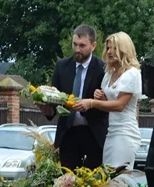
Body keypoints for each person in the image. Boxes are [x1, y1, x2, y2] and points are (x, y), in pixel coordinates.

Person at [42, 24, 108, 170]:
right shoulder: (61, 66)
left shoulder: (102, 68)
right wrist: (47, 109)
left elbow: (108, 105)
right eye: (75, 44)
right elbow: (55, 99)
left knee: (94, 183)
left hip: (93, 132)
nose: (77, 50)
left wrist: (98, 100)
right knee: (68, 181)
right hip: (68, 133)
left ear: (93, 45)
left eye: (82, 45)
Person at [73, 31, 142, 170]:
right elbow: (109, 104)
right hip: (111, 131)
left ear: (124, 49)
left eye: (114, 48)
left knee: (119, 178)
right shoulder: (109, 74)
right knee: (108, 178)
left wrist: (92, 102)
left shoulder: (132, 73)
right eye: (108, 48)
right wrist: (102, 97)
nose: (109, 52)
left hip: (125, 132)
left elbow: (120, 105)